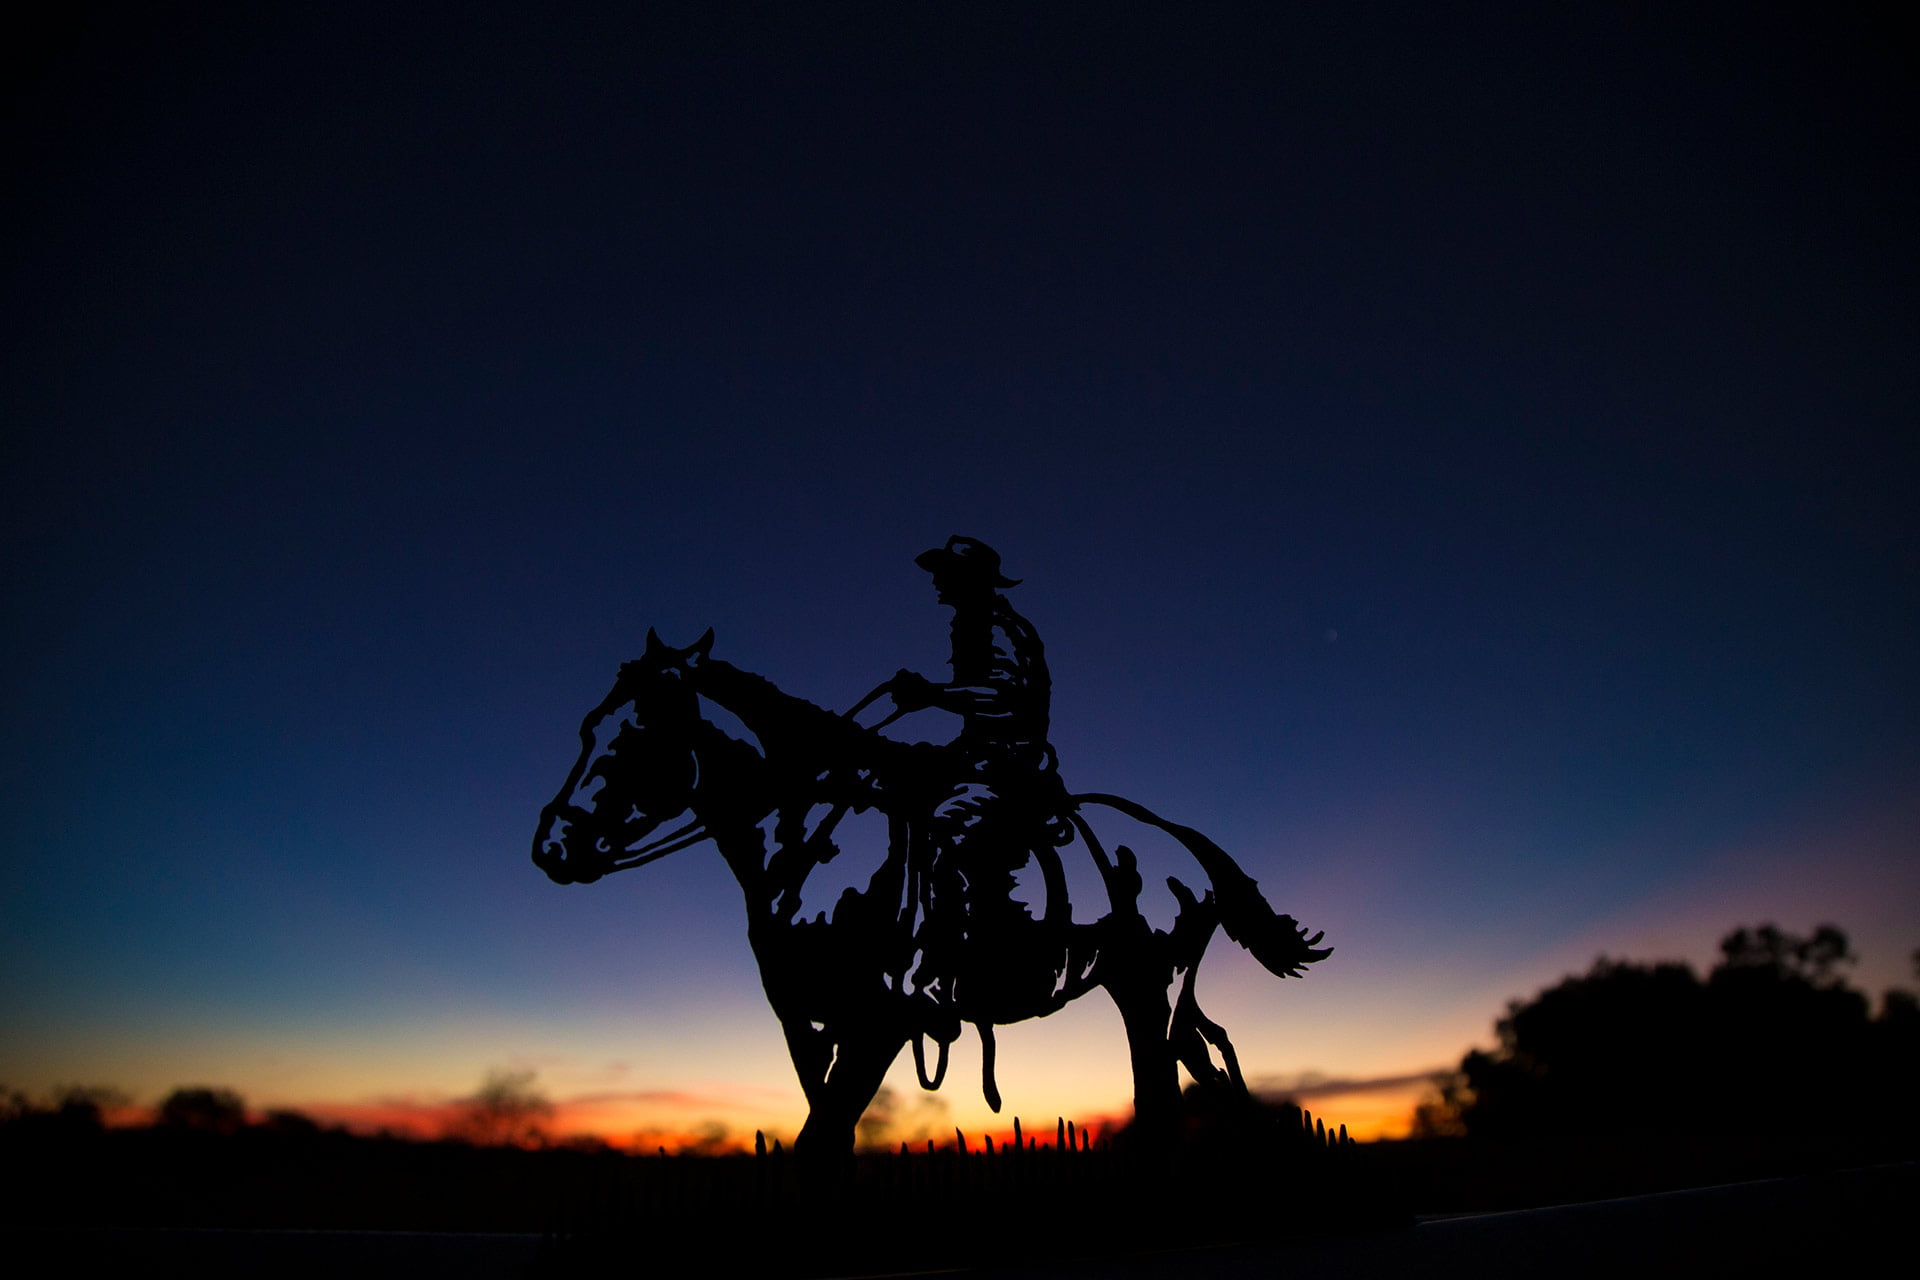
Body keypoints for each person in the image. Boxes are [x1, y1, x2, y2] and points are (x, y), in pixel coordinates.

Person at [885, 536, 1070, 1024]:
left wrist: (931, 694)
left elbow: (1004, 696)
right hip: (978, 750)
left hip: (1009, 760)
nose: (937, 582)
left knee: (949, 825)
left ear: (972, 579)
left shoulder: (998, 625)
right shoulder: (971, 621)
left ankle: (985, 948)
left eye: (945, 572)